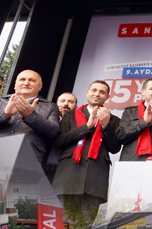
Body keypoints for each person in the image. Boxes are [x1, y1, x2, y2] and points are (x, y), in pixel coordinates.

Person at [0, 70, 60, 172]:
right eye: (22, 79)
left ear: (40, 86)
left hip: (26, 163)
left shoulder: (51, 106)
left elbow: (53, 132)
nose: (26, 83)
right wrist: (5, 114)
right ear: (15, 84)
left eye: (32, 80)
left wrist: (30, 116)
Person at [52, 80, 121, 213]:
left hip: (95, 181)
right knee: (62, 226)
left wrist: (106, 126)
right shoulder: (70, 115)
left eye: (102, 92)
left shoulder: (113, 119)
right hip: (68, 177)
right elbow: (59, 141)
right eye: (94, 90)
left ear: (107, 97)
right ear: (87, 93)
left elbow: (115, 148)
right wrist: (87, 126)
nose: (97, 94)